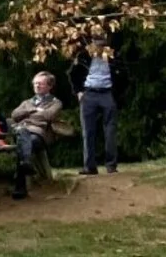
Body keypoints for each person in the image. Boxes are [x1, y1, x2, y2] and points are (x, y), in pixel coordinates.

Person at [68, 34, 126, 175]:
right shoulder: (84, 56)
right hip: (89, 93)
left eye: (102, 44)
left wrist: (116, 95)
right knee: (88, 131)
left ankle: (111, 165)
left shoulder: (113, 57)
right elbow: (73, 74)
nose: (99, 47)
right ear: (92, 44)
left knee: (110, 130)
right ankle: (89, 166)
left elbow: (124, 76)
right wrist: (78, 91)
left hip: (107, 93)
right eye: (97, 44)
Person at [8, 72, 64, 200]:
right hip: (23, 131)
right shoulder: (27, 102)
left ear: (50, 86)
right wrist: (32, 110)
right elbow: (14, 115)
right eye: (35, 83)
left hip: (40, 134)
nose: (37, 86)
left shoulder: (55, 103)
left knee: (24, 143)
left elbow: (49, 115)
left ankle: (20, 186)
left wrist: (27, 116)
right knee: (24, 138)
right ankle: (26, 164)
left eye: (40, 84)